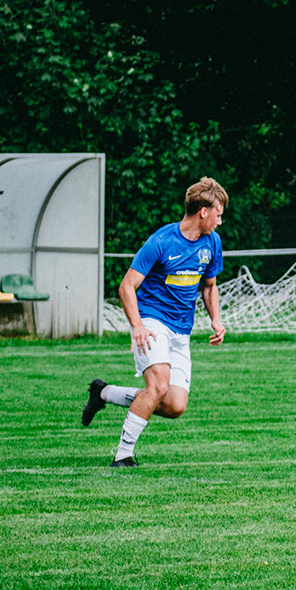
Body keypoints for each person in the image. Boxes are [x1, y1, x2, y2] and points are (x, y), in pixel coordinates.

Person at [81, 177, 229, 467]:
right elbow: (126, 286)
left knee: (175, 405)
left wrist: (216, 320)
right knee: (158, 386)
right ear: (203, 212)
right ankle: (123, 455)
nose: (220, 221)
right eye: (218, 214)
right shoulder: (161, 241)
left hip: (181, 330)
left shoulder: (212, 242)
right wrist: (138, 325)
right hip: (152, 321)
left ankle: (104, 392)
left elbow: (210, 285)